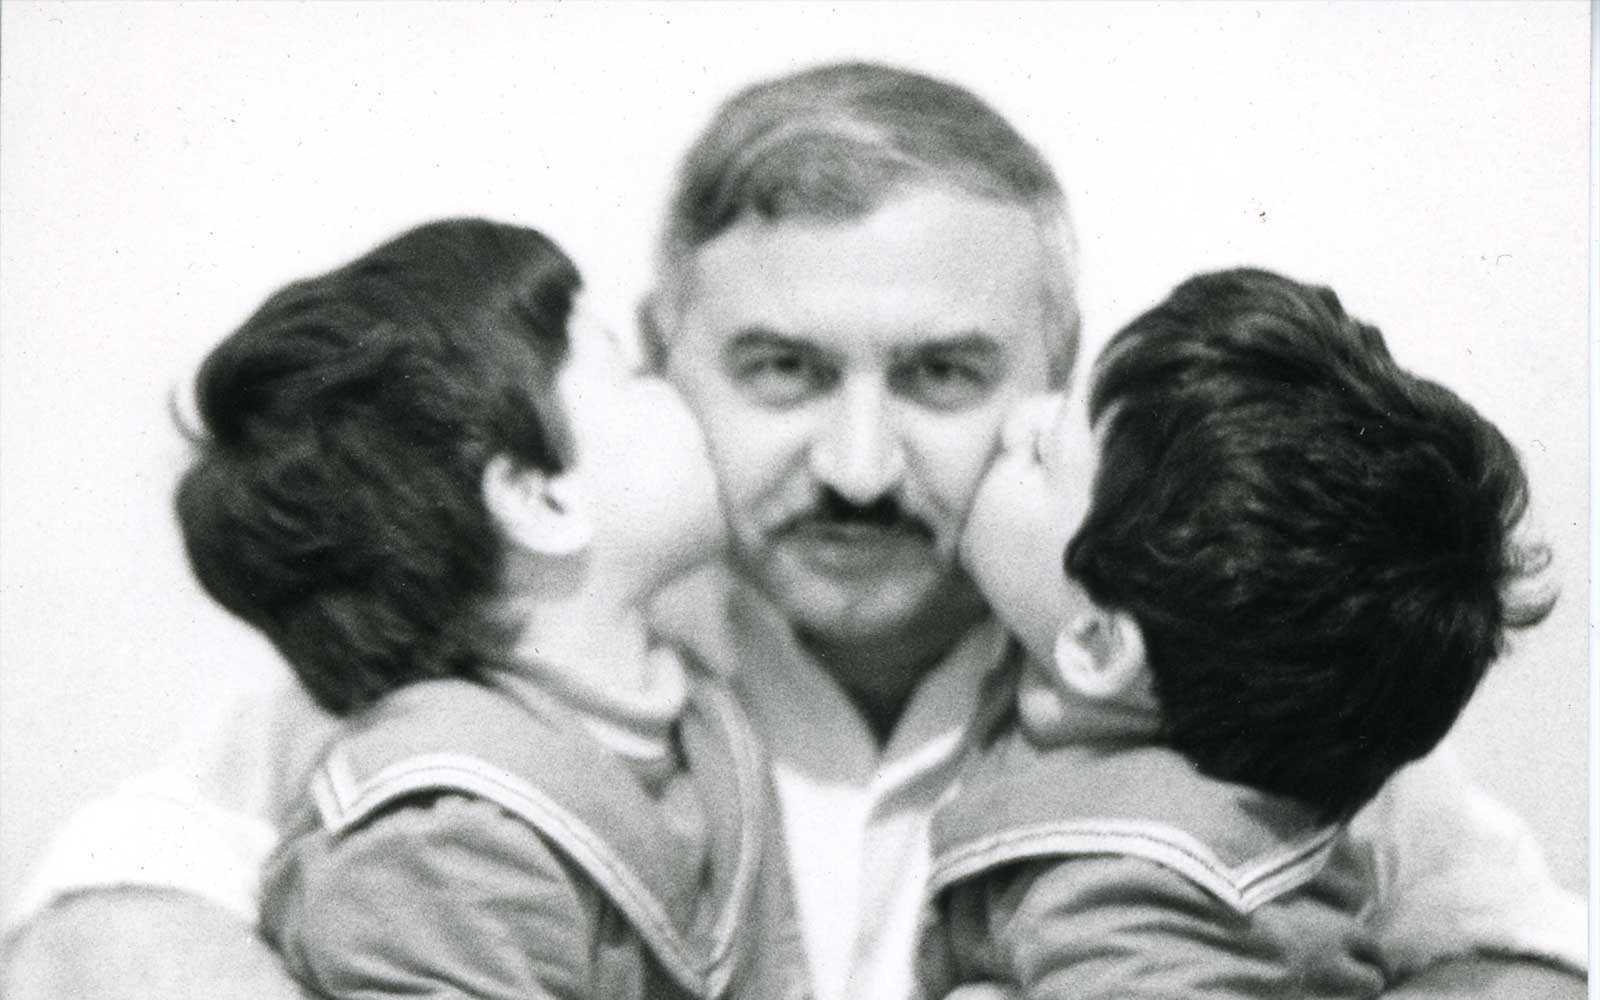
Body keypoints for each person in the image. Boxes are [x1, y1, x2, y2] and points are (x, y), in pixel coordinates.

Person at [3, 63, 1585, 1000]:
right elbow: (97, 922)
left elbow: (1524, 958)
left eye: (946, 376)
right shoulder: (496, 632)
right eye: (780, 371)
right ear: (660, 354)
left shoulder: (1229, 648)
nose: (858, 463)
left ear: (1055, 374)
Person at [175, 217, 807, 999]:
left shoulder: (701, 727)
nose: (676, 390)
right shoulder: (444, 840)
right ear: (541, 499)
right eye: (626, 374)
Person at [920, 268, 1557, 999]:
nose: (1016, 421)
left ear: (1097, 647)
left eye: (1042, 454)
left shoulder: (1130, 909)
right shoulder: (1132, 690)